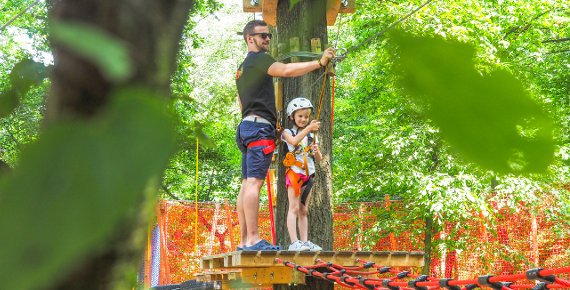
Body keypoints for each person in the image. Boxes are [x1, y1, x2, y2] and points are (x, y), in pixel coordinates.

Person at [235, 19, 334, 251]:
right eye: (262, 36)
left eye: (269, 36)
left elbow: (241, 102)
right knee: (253, 184)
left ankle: (244, 241)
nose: (267, 39)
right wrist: (319, 62)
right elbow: (287, 70)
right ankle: (252, 239)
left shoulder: (242, 68)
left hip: (247, 126)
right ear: (250, 39)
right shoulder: (259, 59)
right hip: (258, 128)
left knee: (245, 185)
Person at [281, 97, 323, 251]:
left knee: (303, 209)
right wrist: (309, 129)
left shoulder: (311, 136)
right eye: (300, 116)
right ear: (292, 116)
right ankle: (294, 242)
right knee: (293, 207)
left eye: (306, 117)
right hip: (294, 174)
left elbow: (319, 159)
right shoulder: (287, 132)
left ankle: (305, 242)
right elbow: (292, 142)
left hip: (308, 175)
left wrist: (316, 151)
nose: (304, 119)